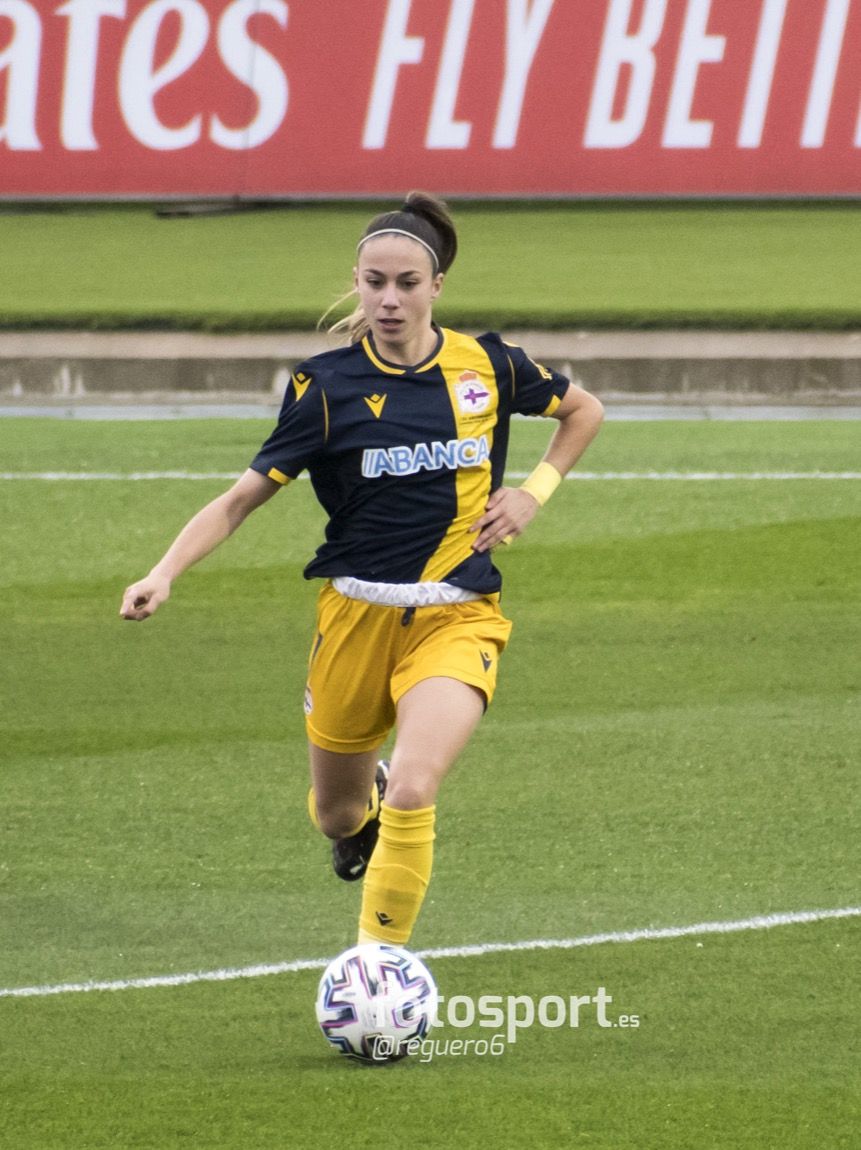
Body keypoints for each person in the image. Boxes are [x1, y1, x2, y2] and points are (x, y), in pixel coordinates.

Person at [120, 192, 604, 948]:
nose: (388, 300)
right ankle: (359, 809)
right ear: (356, 282)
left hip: (457, 613)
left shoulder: (486, 366)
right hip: (353, 617)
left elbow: (584, 411)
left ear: (436, 285)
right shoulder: (326, 388)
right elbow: (242, 498)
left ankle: (379, 966)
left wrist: (531, 493)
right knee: (337, 815)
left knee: (414, 787)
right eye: (374, 282)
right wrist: (164, 572)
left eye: (406, 284)